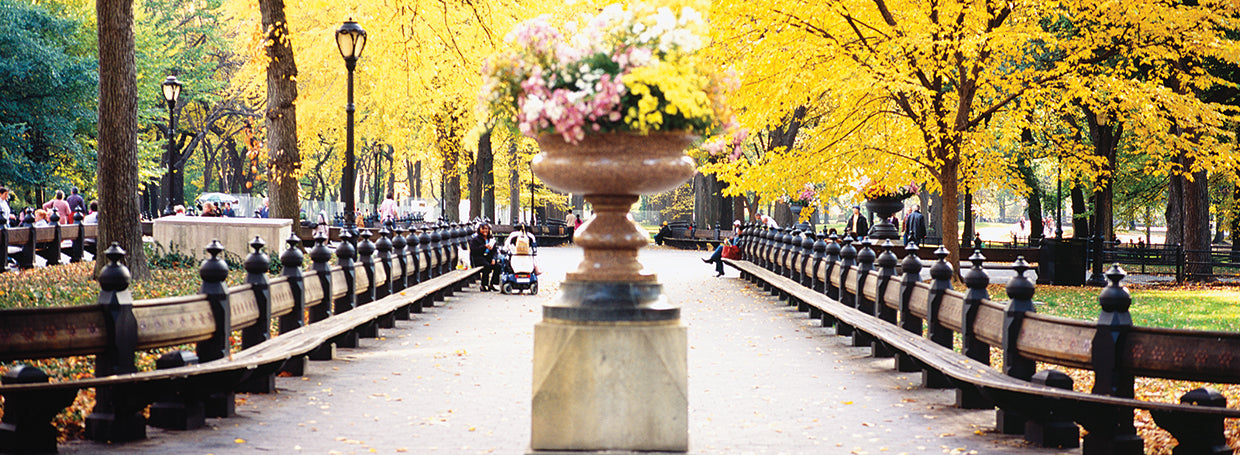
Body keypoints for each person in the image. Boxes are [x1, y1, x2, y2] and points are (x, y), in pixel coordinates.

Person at [469, 224, 500, 291]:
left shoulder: (491, 239)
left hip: (488, 257)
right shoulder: (476, 239)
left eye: (486, 229)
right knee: (487, 266)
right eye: (483, 229)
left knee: (498, 266)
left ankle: (493, 284)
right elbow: (474, 251)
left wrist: (494, 259)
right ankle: (484, 285)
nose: (485, 231)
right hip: (478, 258)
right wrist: (484, 247)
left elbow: (495, 251)